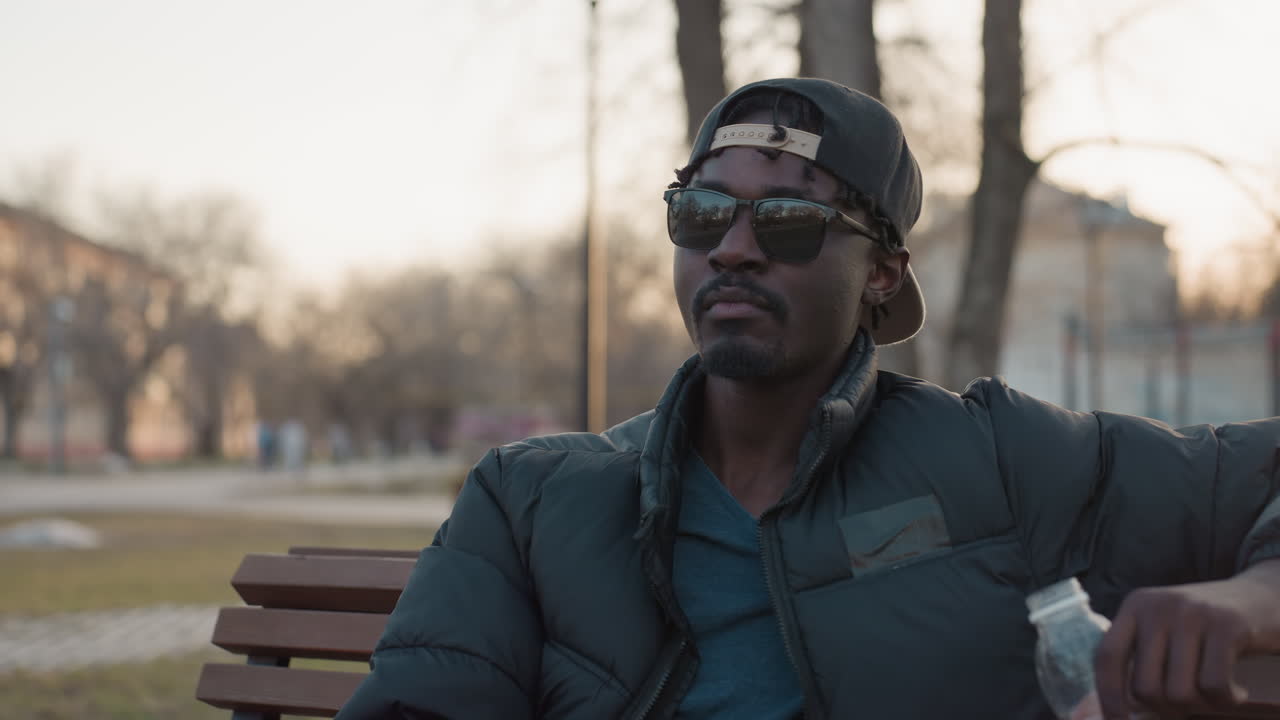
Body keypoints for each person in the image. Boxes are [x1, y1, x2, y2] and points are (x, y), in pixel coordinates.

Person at [336, 78, 1280, 719]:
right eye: (702, 213)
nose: (734, 248)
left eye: (789, 220)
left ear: (882, 273)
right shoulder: (530, 498)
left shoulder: (1002, 460)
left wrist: (1247, 600)